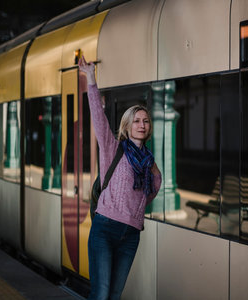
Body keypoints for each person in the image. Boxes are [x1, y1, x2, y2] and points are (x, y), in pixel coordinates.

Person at [78, 56, 162, 300]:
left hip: (131, 235)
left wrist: (133, 211)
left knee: (114, 296)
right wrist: (91, 79)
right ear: (127, 126)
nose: (142, 124)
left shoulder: (149, 163)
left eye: (145, 121)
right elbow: (97, 116)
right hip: (104, 229)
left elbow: (149, 193)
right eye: (136, 120)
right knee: (102, 295)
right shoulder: (112, 148)